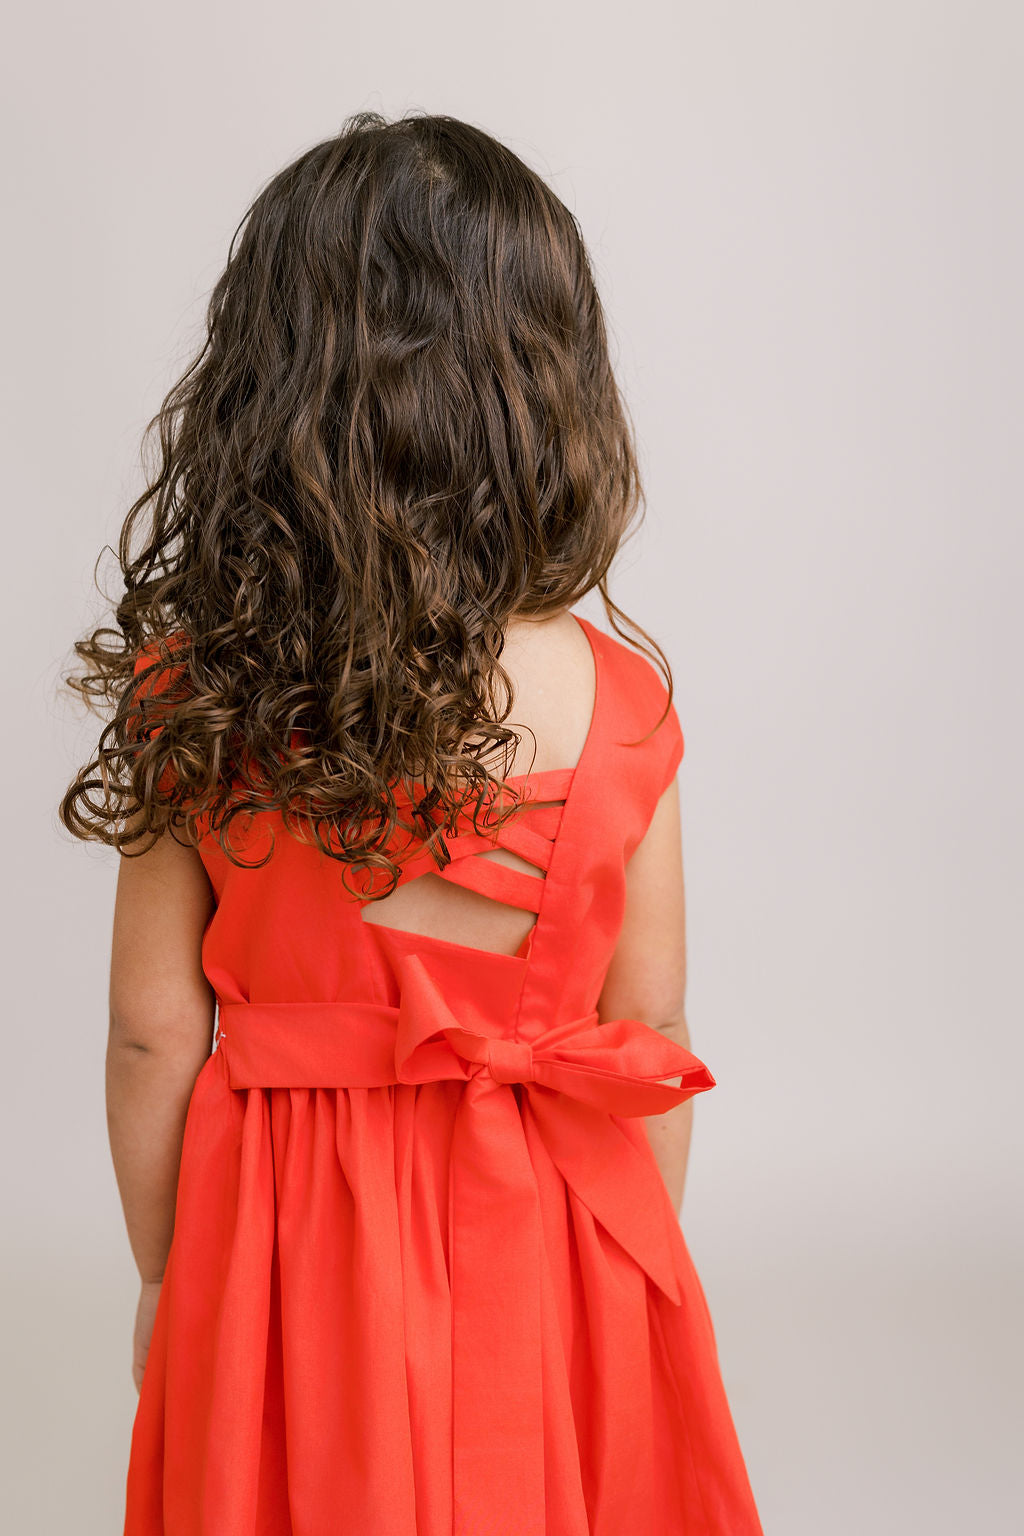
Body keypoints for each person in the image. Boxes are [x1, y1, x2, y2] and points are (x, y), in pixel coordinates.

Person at [61, 110, 764, 1536]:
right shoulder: (620, 704)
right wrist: (614, 1272)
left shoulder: (204, 692)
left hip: (281, 1243)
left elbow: (150, 1035)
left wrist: (164, 1273)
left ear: (268, 392)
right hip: (552, 1211)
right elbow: (657, 1030)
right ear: (548, 392)